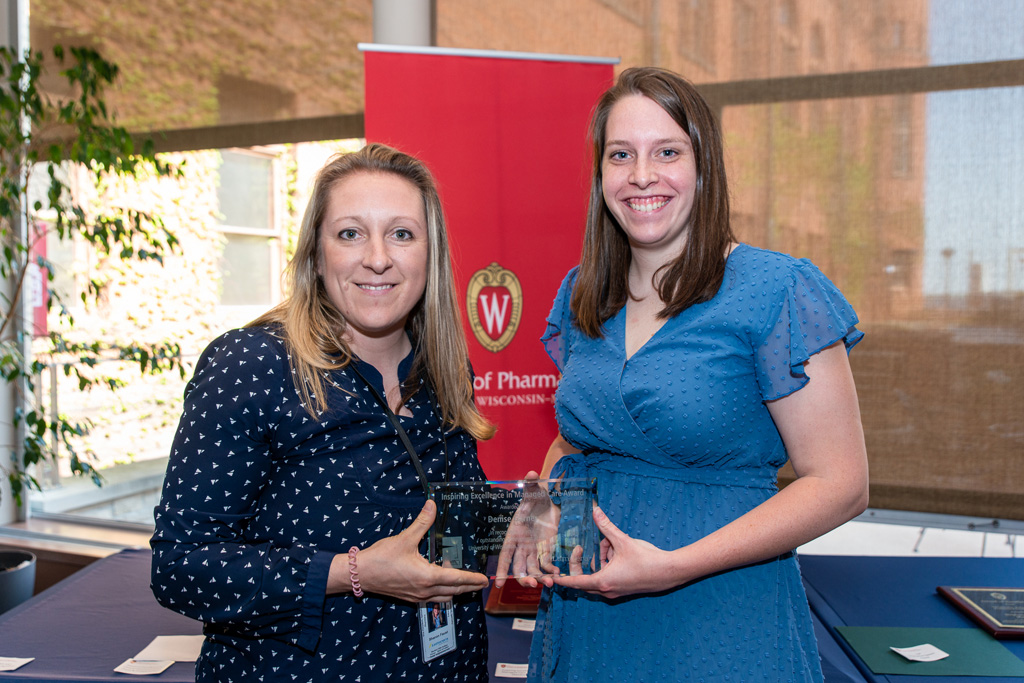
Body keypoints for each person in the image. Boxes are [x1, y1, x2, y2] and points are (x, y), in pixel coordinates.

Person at [526, 67, 869, 682]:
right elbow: (577, 441)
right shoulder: (581, 294)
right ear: (600, 174)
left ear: (703, 165)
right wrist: (545, 508)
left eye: (667, 151)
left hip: (722, 613)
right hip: (589, 610)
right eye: (620, 155)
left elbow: (840, 484)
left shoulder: (777, 288)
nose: (641, 175)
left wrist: (675, 565)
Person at [150, 143, 494, 681]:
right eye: (350, 233)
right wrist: (352, 572)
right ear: (316, 253)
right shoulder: (252, 364)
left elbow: (444, 522)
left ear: (431, 253)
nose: (377, 257)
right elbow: (180, 568)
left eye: (402, 233)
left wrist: (519, 524)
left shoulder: (445, 370)